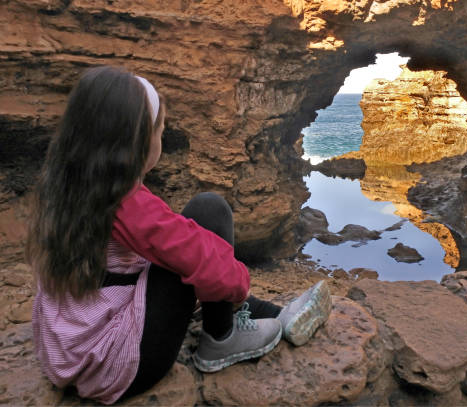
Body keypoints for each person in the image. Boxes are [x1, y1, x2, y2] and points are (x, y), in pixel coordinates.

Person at [27, 65, 332, 405]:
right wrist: (239, 283)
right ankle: (222, 338)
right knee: (208, 213)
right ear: (139, 142)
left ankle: (269, 313)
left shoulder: (70, 185)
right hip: (120, 364)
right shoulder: (126, 204)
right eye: (161, 130)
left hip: (69, 352)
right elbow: (201, 259)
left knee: (178, 249)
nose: (162, 136)